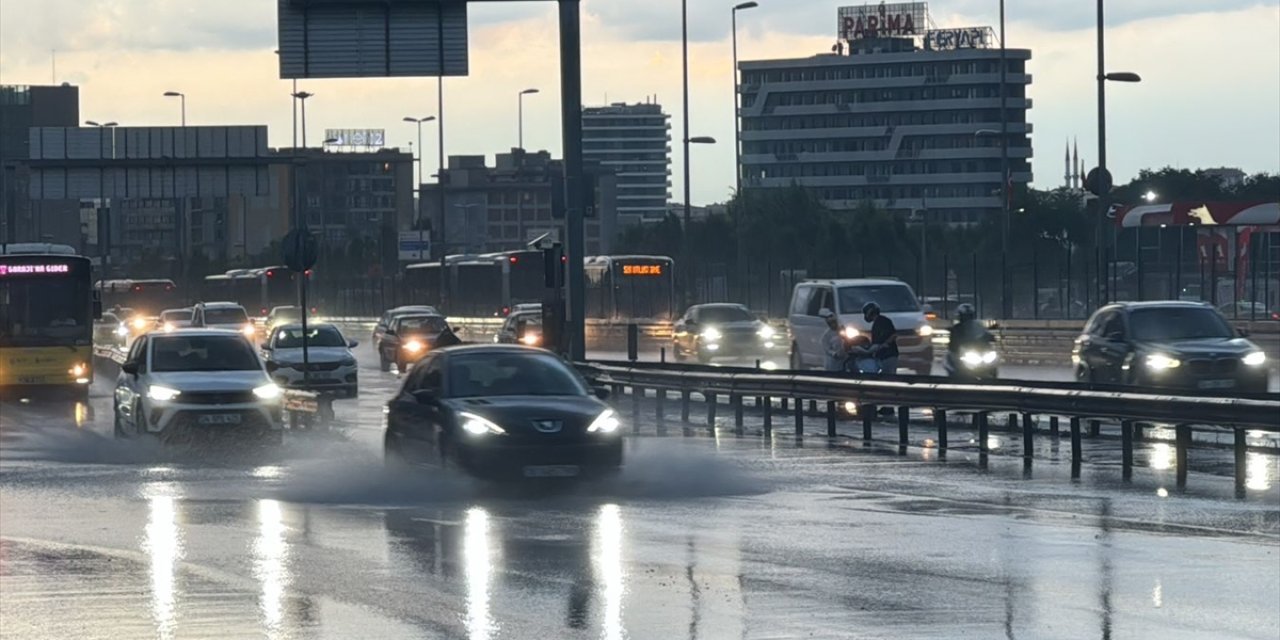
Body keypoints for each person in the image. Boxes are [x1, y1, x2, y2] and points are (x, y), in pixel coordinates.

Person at [863, 301, 899, 375]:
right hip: (883, 356)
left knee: (889, 377)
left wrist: (884, 344)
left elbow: (893, 335)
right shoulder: (879, 322)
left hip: (888, 355)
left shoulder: (883, 321)